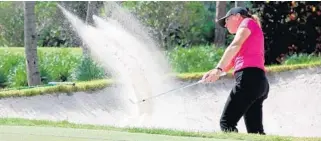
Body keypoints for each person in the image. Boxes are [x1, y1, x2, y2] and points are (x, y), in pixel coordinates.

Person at [200, 7, 270, 135]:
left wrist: (218, 68)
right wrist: (214, 73)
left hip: (249, 79)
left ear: (237, 16)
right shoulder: (250, 32)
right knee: (256, 133)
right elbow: (231, 61)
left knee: (226, 123)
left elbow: (235, 45)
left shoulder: (247, 22)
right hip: (259, 82)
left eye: (226, 20)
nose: (225, 25)